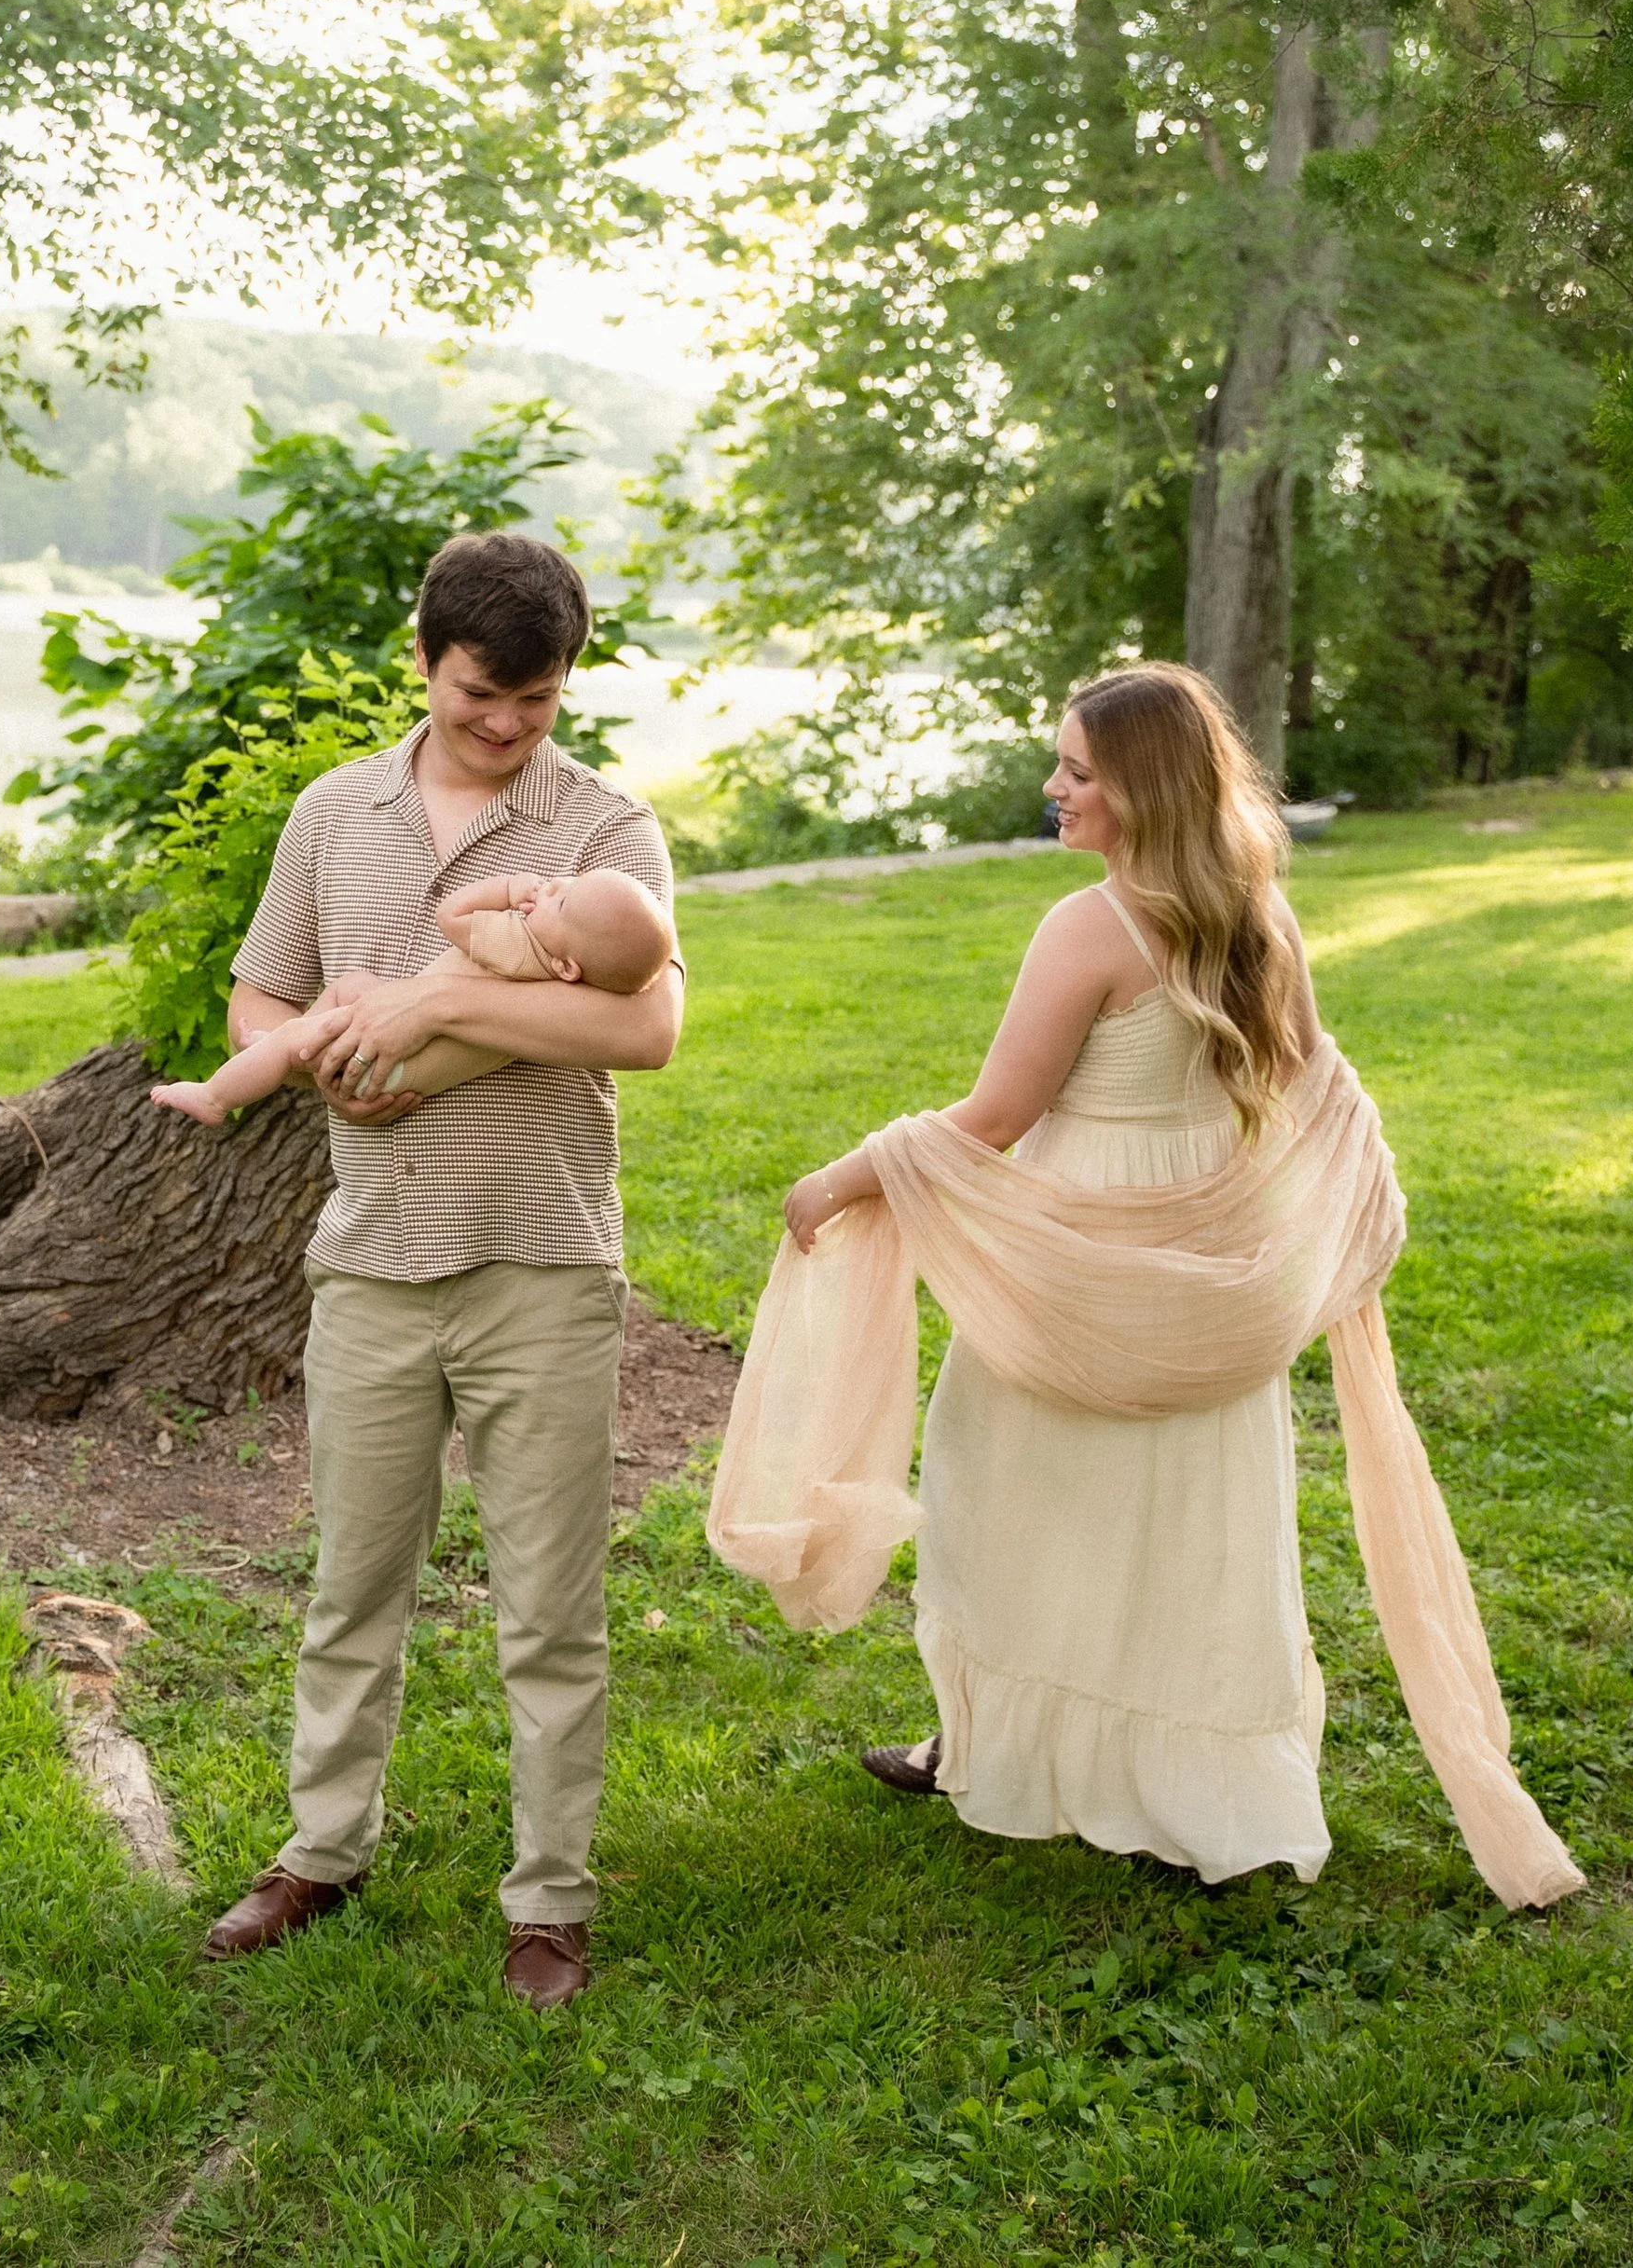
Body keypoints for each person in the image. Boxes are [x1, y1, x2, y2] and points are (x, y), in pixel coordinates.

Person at [197, 530, 683, 2006]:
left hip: (541, 1258)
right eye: (480, 695)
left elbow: (644, 1030)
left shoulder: (606, 828)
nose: (504, 725)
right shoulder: (333, 812)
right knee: (352, 1584)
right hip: (373, 1258)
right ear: (423, 659)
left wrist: (428, 1013)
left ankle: (550, 1900)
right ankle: (322, 1851)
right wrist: (322, 1068)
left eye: (534, 703)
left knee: (551, 1607)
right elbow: (260, 993)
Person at [781, 662, 1333, 1887]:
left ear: (1141, 789)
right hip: (1200, 1247)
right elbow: (1296, 1084)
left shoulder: (1090, 925)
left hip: (1084, 1251)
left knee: (1000, 1485)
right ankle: (1137, 1775)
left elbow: (992, 1113)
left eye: (1079, 770)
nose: (1056, 787)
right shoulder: (1261, 916)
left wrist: (843, 1177)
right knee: (1187, 1514)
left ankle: (1005, 1748)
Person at [149, 867, 677, 1124]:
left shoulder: (520, 947)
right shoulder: (567, 977)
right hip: (409, 1061)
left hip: (397, 1062)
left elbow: (453, 916)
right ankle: (290, 1043)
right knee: (352, 988)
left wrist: (512, 891)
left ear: (567, 966)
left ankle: (217, 1096)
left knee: (298, 1040)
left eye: (562, 900)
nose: (554, 886)